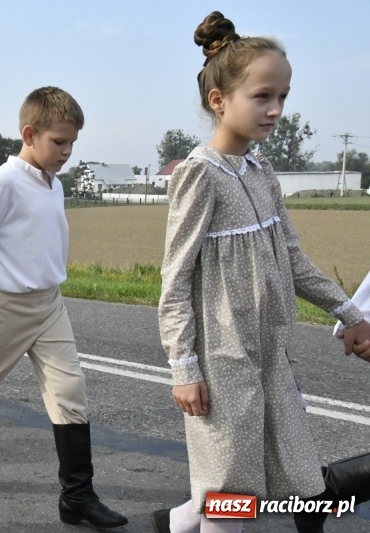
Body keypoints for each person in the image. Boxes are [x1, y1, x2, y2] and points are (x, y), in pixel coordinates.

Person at [153, 12, 370, 533]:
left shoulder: (261, 171)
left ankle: (170, 525)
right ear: (219, 100)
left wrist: (350, 313)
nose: (275, 110)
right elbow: (175, 281)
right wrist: (184, 366)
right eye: (262, 96)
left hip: (270, 353)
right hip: (222, 359)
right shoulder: (199, 175)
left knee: (261, 476)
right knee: (230, 494)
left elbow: (292, 259)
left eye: (282, 97)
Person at [0, 87, 129, 530]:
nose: (67, 152)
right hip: (5, 308)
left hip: (50, 305)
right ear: (29, 134)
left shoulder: (52, 183)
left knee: (70, 392)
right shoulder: (4, 182)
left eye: (72, 143)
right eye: (59, 142)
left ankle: (77, 497)